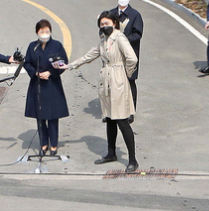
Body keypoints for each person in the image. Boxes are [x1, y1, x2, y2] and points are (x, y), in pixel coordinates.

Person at [62, 11, 139, 172]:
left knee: (122, 121)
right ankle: (111, 153)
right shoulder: (104, 40)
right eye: (102, 24)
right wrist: (71, 65)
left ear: (115, 23)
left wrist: (126, 74)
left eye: (107, 23)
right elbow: (90, 55)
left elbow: (132, 58)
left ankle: (133, 160)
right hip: (106, 82)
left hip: (118, 80)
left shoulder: (119, 38)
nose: (104, 26)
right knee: (110, 118)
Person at [23, 19, 69, 156]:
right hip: (37, 85)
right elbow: (27, 63)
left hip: (52, 84)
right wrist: (36, 73)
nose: (44, 34)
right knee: (40, 116)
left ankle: (54, 144)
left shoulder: (56, 45)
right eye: (42, 31)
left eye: (47, 31)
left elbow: (63, 63)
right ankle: (43, 143)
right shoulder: (33, 46)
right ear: (37, 32)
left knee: (53, 116)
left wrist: (51, 72)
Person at [110, 0, 143, 122]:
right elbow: (102, 30)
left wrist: (123, 40)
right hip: (114, 55)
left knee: (130, 81)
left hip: (129, 55)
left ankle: (130, 111)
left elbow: (138, 34)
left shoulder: (135, 15)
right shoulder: (111, 14)